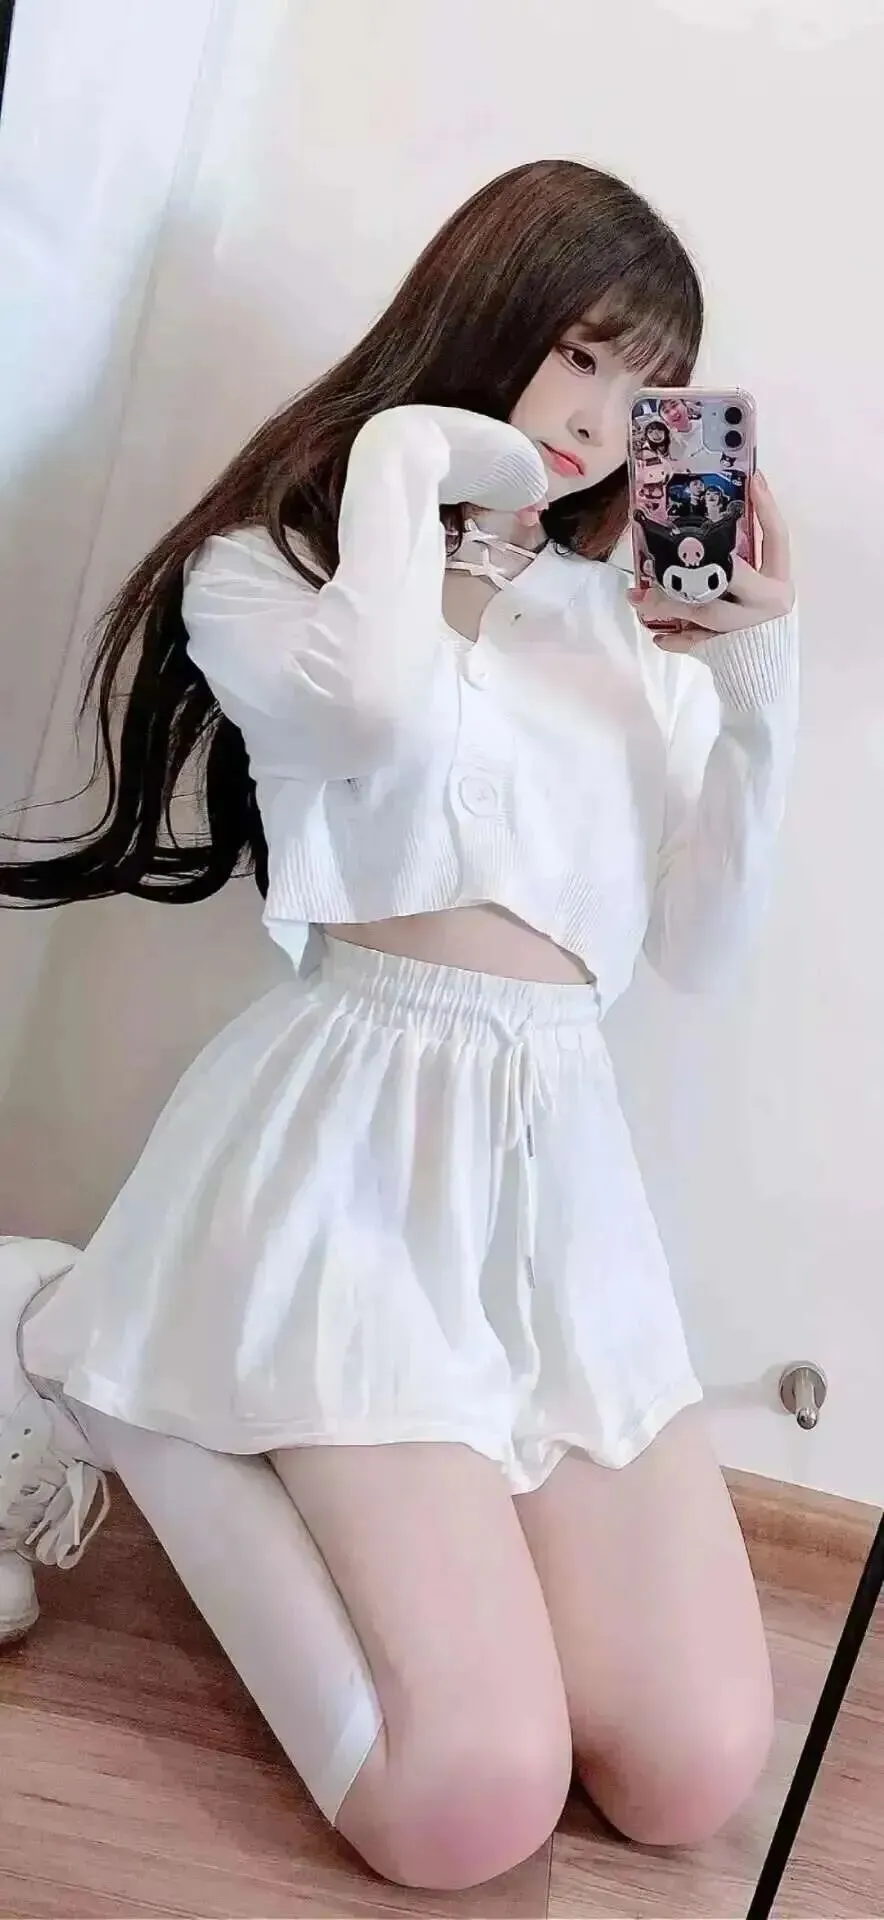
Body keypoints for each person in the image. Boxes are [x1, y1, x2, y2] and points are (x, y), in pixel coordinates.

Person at [0, 159, 797, 1892]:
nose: (598, 418)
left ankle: (244, 1399)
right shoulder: (268, 575)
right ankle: (83, 1345)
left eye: (646, 388)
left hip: (554, 1184)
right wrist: (409, 454)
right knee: (465, 1806)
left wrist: (754, 684)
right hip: (344, 1162)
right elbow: (364, 712)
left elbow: (702, 951)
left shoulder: (628, 634)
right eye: (580, 353)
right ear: (487, 313)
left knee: (691, 1770)